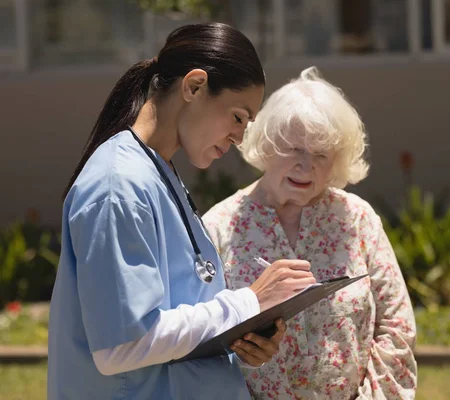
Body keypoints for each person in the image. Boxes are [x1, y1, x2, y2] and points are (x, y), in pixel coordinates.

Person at [47, 23, 316, 400]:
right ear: (193, 86)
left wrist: (240, 339)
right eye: (238, 117)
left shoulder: (158, 172)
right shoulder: (118, 185)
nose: (240, 138)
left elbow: (182, 321)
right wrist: (247, 302)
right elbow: (122, 346)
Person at [203, 67, 418, 399]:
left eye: (321, 154)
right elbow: (201, 340)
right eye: (294, 149)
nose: (307, 166)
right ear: (267, 145)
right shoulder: (219, 226)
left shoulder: (356, 219)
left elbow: (397, 329)